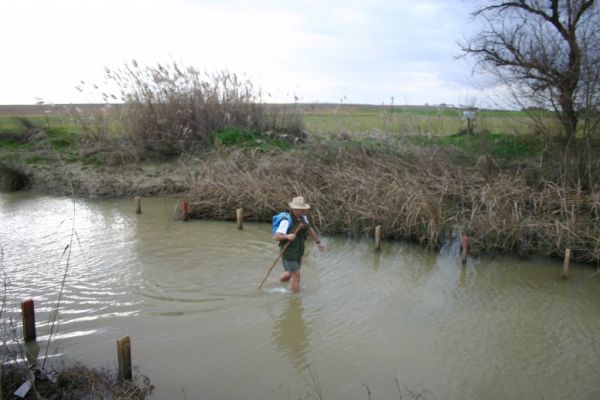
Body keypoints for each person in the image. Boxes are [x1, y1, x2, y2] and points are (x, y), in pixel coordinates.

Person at [273, 196, 325, 292]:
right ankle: (295, 299)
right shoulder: (286, 220)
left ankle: (277, 282)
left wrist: (318, 242)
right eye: (301, 209)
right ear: (294, 209)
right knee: (296, 275)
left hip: (299, 253)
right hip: (288, 253)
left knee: (290, 273)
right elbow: (276, 237)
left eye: (303, 209)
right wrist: (287, 236)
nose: (303, 211)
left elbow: (309, 230)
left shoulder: (303, 218)